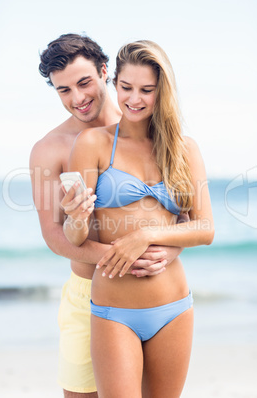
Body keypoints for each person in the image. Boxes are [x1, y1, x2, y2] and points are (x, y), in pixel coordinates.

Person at [30, 34, 186, 398]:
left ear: (105, 73)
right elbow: (54, 235)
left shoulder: (149, 131)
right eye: (63, 90)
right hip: (88, 295)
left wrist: (166, 252)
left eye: (84, 82)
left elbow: (181, 216)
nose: (78, 98)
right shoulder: (49, 150)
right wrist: (121, 257)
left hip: (155, 291)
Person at [62, 40, 214, 397]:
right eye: (126, 87)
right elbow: (75, 237)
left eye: (146, 90)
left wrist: (145, 236)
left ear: (162, 91)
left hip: (174, 307)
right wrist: (76, 216)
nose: (134, 99)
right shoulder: (93, 143)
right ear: (115, 83)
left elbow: (204, 228)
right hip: (115, 310)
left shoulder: (184, 148)